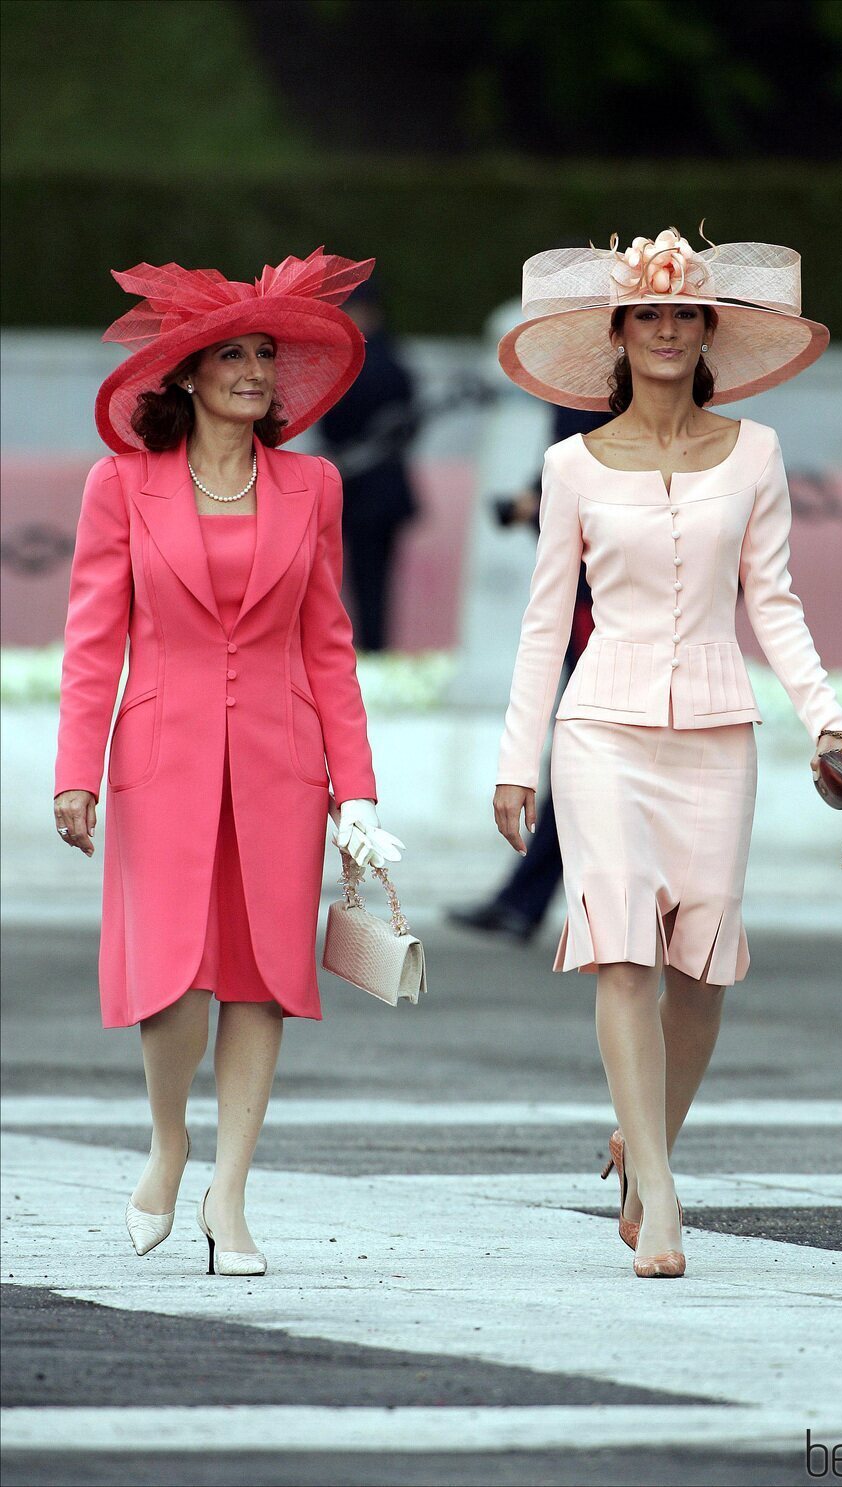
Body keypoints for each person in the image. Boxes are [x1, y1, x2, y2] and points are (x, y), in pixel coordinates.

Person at [493, 228, 842, 1279]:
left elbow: (774, 600)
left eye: (682, 315)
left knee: (699, 968)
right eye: (646, 316)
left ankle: (644, 1141)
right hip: (599, 728)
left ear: (707, 330)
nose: (664, 331)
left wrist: (827, 719)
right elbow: (541, 623)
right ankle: (656, 1188)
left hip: (715, 731)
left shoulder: (753, 452)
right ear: (616, 334)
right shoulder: (566, 464)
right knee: (619, 950)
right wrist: (514, 760)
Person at [52, 248, 404, 1276]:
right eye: (233, 354)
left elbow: (327, 646)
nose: (254, 369)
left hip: (282, 761)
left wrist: (358, 790)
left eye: (266, 353)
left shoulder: (314, 486)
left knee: (262, 974)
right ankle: (168, 1139)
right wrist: (74, 770)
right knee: (172, 972)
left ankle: (230, 1193)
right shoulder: (120, 485)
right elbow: (91, 639)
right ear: (190, 373)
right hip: (159, 754)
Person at [449, 404, 604, 942]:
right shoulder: (588, 388)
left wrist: (535, 507)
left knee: (589, 756)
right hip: (592, 599)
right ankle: (526, 900)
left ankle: (531, 900)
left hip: (605, 606)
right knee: (586, 756)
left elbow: (599, 494)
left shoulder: (596, 390)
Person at [313, 279, 419, 651]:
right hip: (381, 488)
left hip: (357, 487)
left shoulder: (348, 363)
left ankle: (366, 650)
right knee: (372, 579)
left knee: (360, 579)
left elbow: (330, 427)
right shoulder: (396, 362)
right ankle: (372, 648)